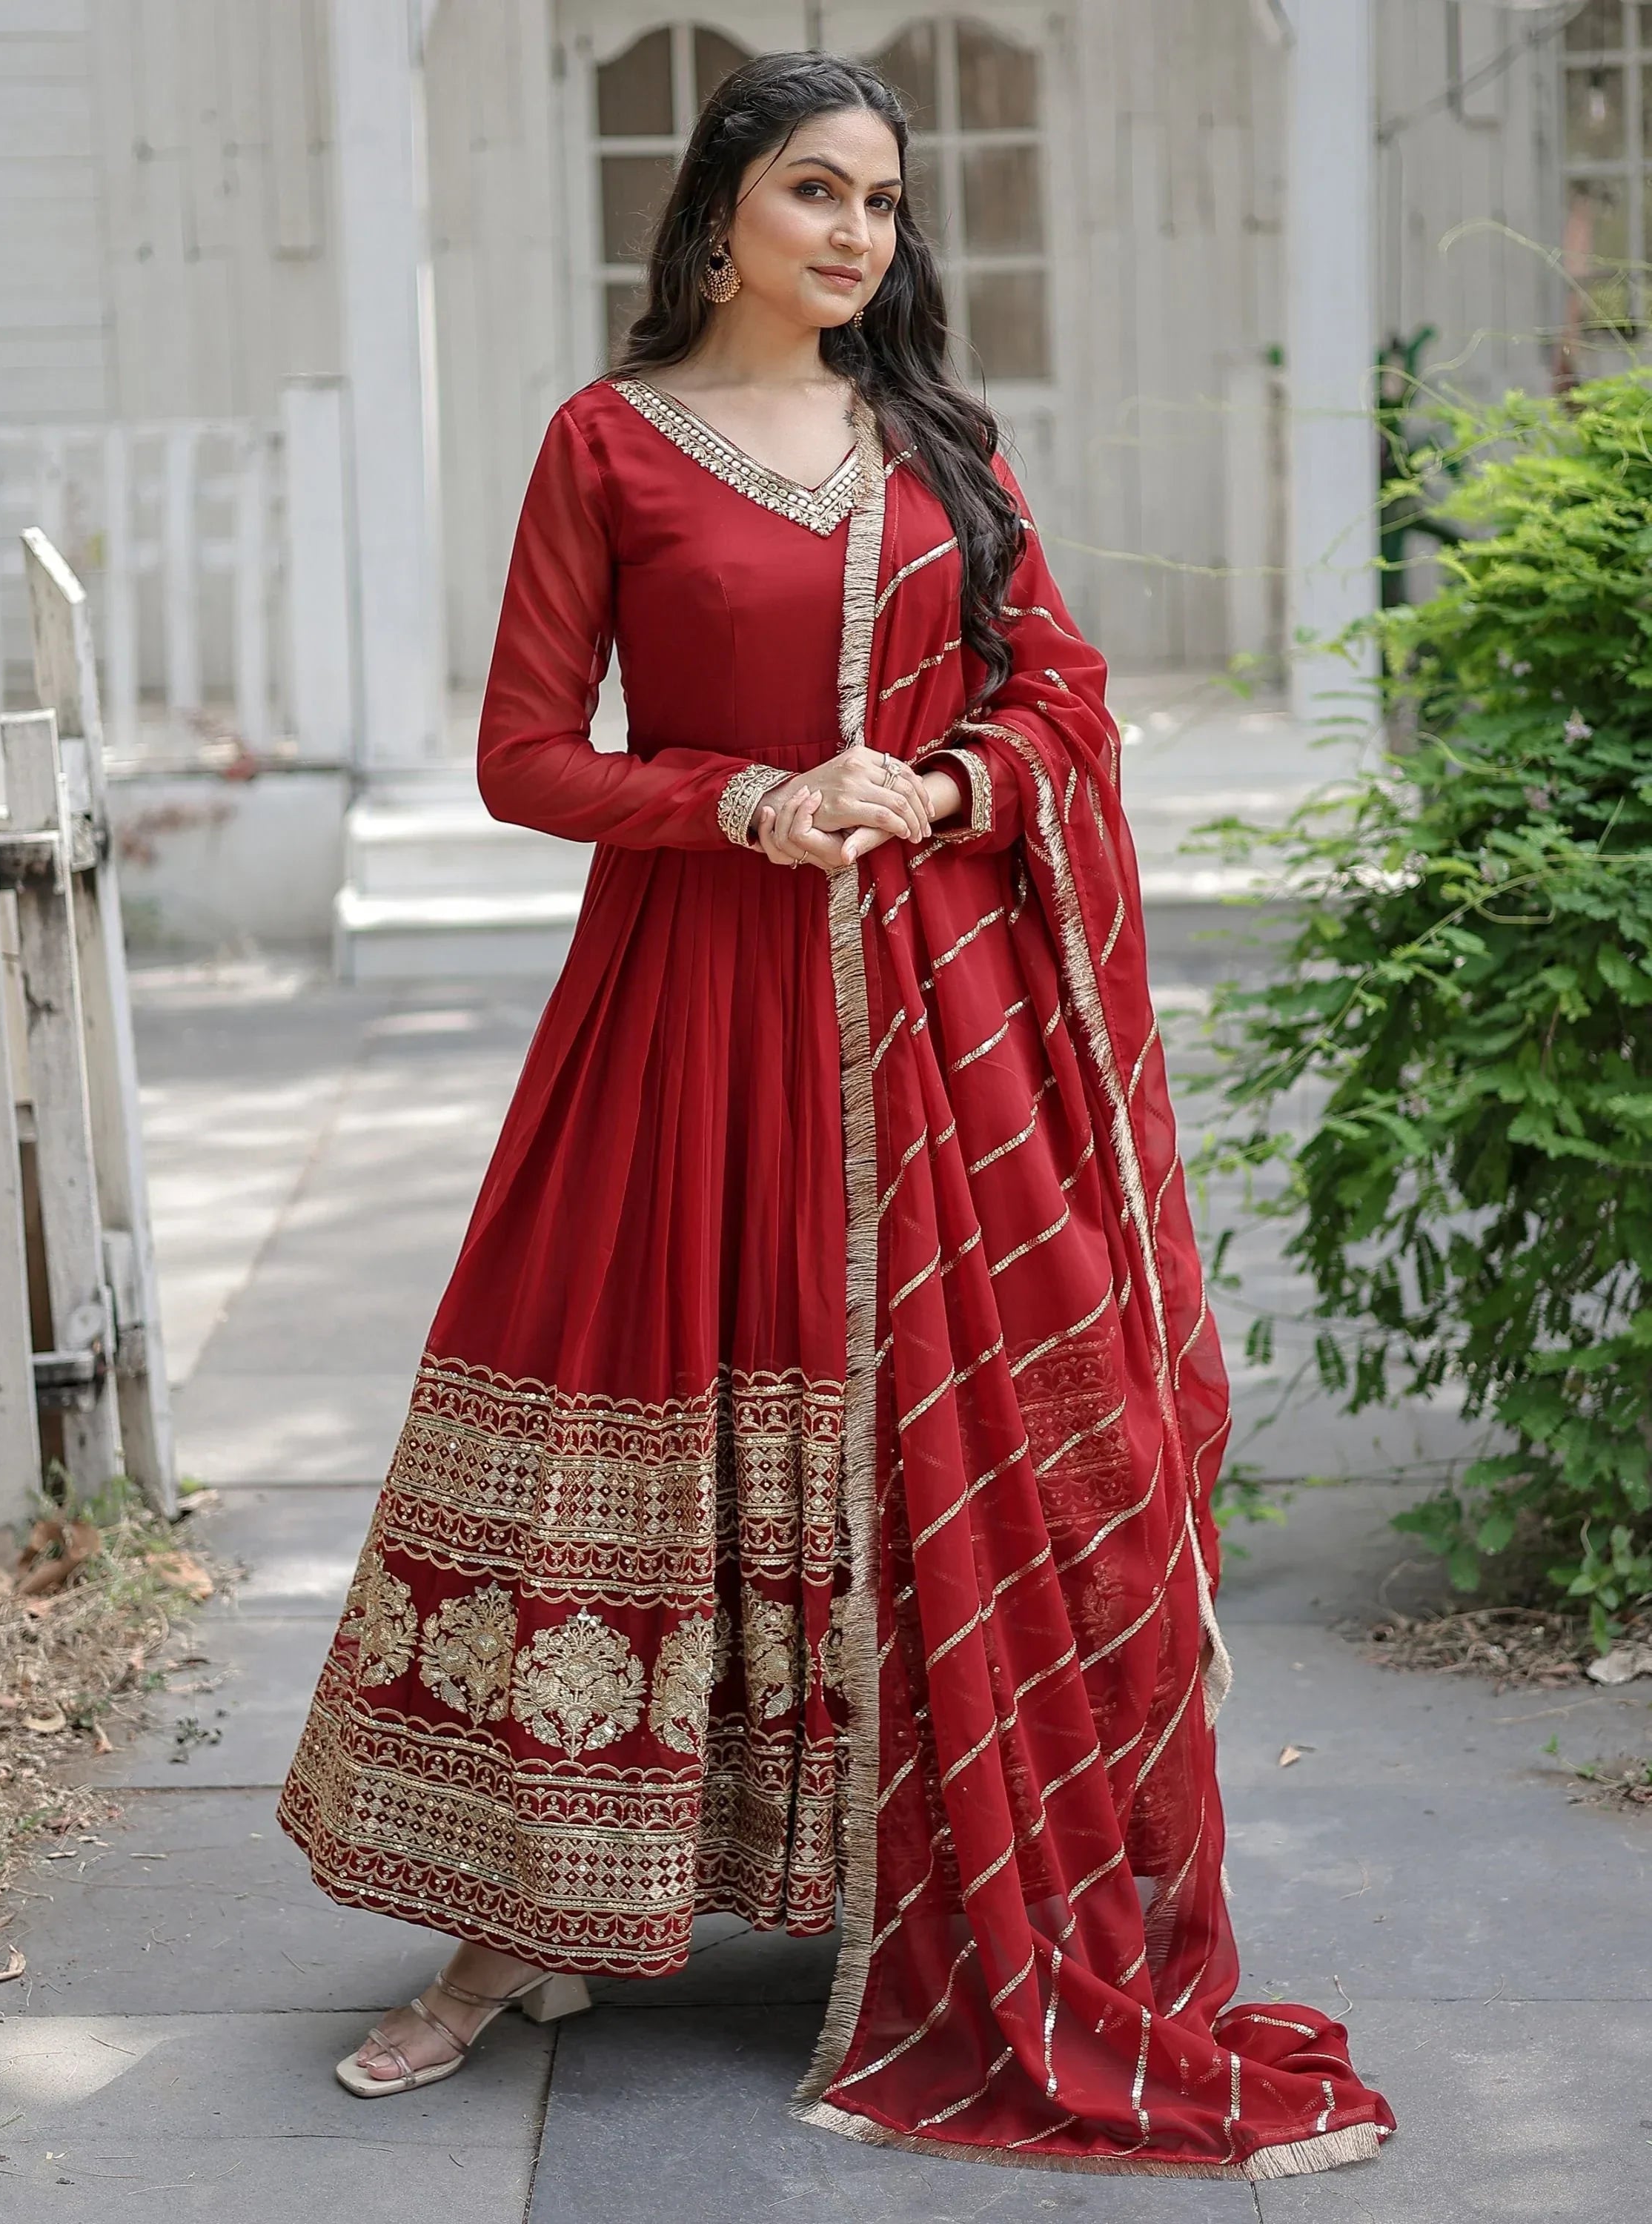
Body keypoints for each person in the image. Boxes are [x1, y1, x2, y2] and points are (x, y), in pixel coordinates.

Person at [278, 50, 1394, 2179]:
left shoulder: (940, 450)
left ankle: (934, 1899)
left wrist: (954, 787)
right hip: (682, 1001)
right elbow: (526, 757)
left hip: (930, 1033)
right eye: (814, 192)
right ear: (717, 219)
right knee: (617, 1394)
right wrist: (748, 797)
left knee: (932, 1441)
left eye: (881, 201)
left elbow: (1053, 693)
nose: (858, 234)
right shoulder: (606, 444)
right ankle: (515, 1929)